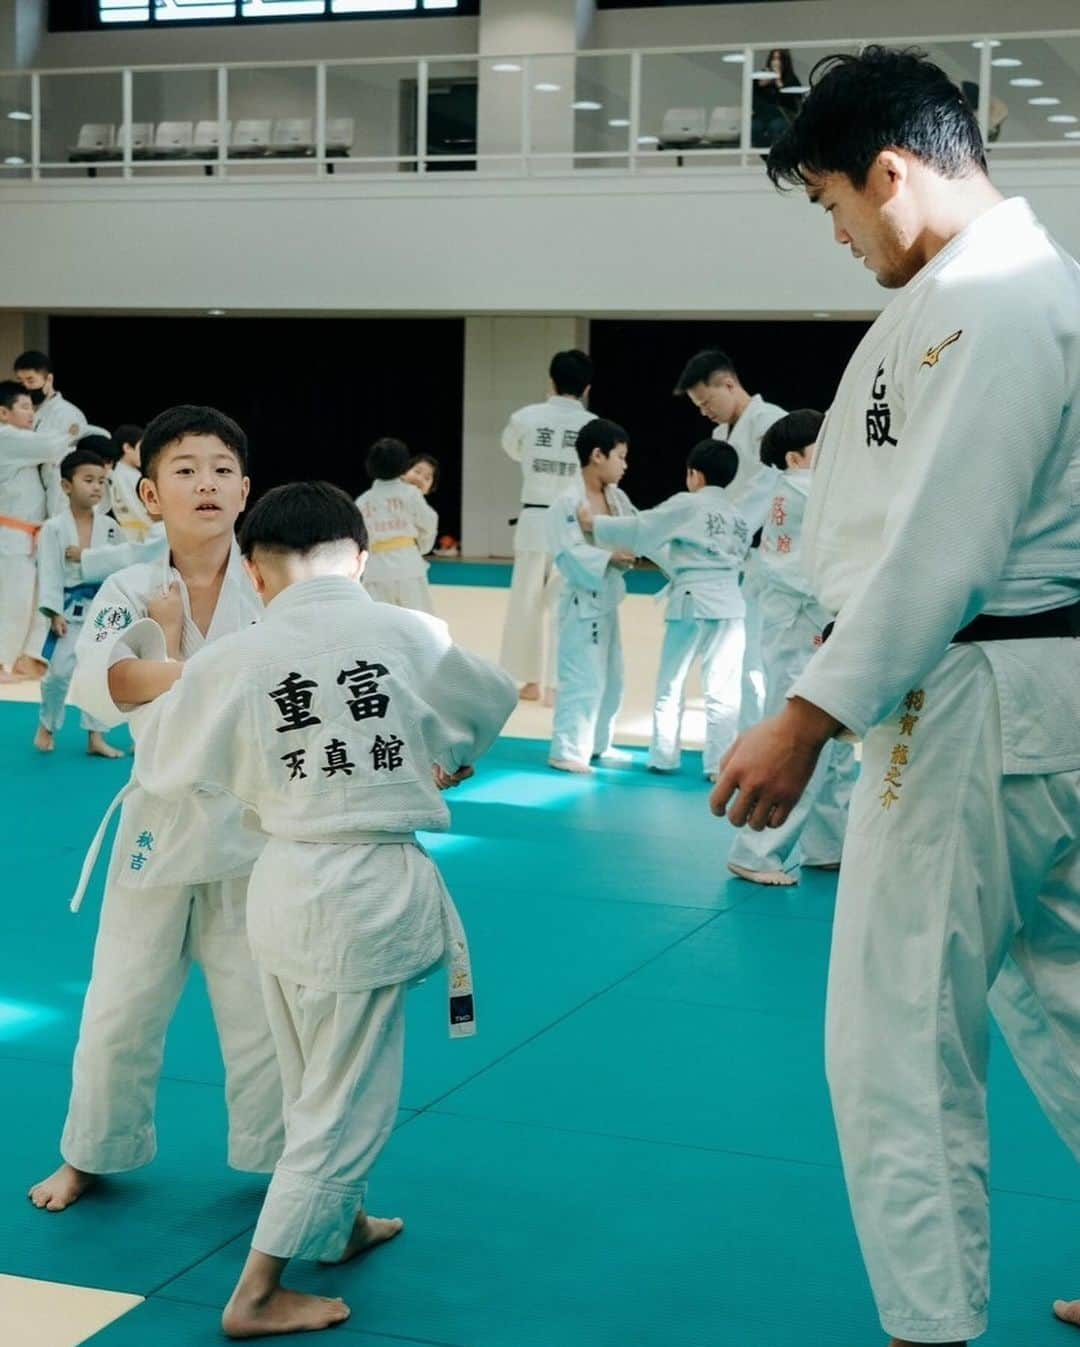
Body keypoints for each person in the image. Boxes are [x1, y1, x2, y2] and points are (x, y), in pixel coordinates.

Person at [711, 46, 1080, 1347]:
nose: (837, 232)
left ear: (892, 170)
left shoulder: (1009, 294)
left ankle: (931, 1326)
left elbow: (947, 541)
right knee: (1058, 989)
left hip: (968, 683)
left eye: (832, 204)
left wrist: (806, 715)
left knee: (895, 1037)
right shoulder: (969, 295)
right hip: (1018, 691)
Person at [131, 480, 517, 1338]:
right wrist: (439, 760)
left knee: (311, 1073)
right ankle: (258, 1291)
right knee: (345, 1099)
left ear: (256, 576)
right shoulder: (411, 629)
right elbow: (488, 704)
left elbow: (168, 761)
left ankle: (340, 1226)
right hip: (367, 892)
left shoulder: (237, 652)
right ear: (362, 557)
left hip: (282, 881)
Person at [28, 404, 283, 1215]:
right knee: (120, 1003)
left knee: (263, 1011)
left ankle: (281, 1161)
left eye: (220, 469)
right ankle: (91, 1153)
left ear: (246, 491)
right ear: (148, 492)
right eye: (184, 469)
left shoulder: (277, 586)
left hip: (252, 828)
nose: (204, 482)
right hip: (161, 824)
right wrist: (178, 654)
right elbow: (107, 693)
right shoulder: (133, 585)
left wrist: (170, 657)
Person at [579, 439, 767, 780]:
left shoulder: (688, 505)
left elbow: (644, 527)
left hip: (692, 602)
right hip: (729, 605)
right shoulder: (738, 517)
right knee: (722, 691)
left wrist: (596, 525)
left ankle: (664, 757)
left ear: (694, 474)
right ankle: (717, 765)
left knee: (671, 682)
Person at [725, 410, 857, 885]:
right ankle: (757, 850)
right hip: (804, 629)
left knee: (831, 740)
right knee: (805, 742)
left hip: (801, 626)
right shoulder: (805, 489)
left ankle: (827, 844)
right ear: (796, 456)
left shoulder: (787, 492)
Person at [674, 349, 786, 730]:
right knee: (740, 657)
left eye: (707, 401)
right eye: (698, 406)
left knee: (762, 658)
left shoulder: (773, 423)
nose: (705, 411)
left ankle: (766, 738)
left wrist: (730, 537)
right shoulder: (719, 434)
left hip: (770, 553)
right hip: (735, 556)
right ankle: (747, 738)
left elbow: (766, 490)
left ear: (729, 383)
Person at [499, 349, 595, 704]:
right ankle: (556, 684)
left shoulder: (525, 418)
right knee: (564, 602)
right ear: (586, 387)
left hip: (536, 516)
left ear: (551, 381)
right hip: (572, 522)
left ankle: (528, 681)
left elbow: (514, 451)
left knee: (525, 601)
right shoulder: (594, 426)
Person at [547, 418, 635, 774]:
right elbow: (566, 554)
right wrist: (609, 557)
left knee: (613, 678)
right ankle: (567, 749)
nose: (624, 465)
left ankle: (599, 743)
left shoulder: (617, 498)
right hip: (581, 601)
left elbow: (635, 529)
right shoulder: (566, 502)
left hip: (608, 598)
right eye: (620, 456)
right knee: (583, 677)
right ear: (597, 455)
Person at [33, 446, 128, 759]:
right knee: (59, 672)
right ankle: (47, 725)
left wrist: (89, 559)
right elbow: (49, 570)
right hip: (69, 610)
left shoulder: (111, 528)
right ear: (66, 486)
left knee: (100, 673)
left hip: (103, 609)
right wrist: (53, 611)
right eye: (89, 480)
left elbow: (123, 565)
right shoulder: (54, 528)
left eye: (102, 481)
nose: (97, 487)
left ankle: (96, 736)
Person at [0, 381, 72, 682]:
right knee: (12, 601)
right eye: (25, 407)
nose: (31, 414)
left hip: (30, 533)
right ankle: (2, 660)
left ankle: (24, 661)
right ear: (3, 412)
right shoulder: (6, 437)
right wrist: (70, 432)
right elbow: (55, 445)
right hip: (11, 533)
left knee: (32, 601)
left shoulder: (20, 440)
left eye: (33, 407)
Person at [355, 437, 438, 614]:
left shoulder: (362, 502)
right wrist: (422, 547)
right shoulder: (411, 494)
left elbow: (358, 538)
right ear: (404, 467)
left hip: (376, 569)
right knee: (419, 618)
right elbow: (429, 522)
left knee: (379, 619)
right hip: (408, 564)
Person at [14, 349, 88, 518]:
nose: (25, 387)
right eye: (20, 381)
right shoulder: (24, 414)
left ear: (49, 379)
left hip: (60, 499)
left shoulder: (67, 414)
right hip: (30, 502)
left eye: (30, 380)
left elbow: (57, 459)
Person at [106, 423, 153, 541]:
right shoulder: (124, 475)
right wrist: (156, 527)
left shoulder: (124, 473)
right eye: (141, 448)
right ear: (127, 448)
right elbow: (135, 506)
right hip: (135, 533)